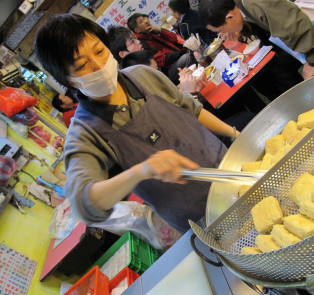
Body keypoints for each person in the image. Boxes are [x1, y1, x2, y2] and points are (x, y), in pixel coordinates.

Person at [35, 13, 240, 234]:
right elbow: (84, 205)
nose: (99, 65)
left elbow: (191, 109)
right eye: (83, 64)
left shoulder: (143, 75)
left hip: (230, 171)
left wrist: (234, 134)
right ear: (68, 80)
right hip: (200, 218)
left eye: (100, 51)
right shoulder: (84, 133)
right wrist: (141, 171)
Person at [198, 0, 314, 80]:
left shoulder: (256, 3)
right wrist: (241, 30)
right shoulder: (238, 6)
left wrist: (311, 61)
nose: (222, 36)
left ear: (230, 17)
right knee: (275, 70)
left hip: (308, 31)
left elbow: (296, 26)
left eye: (221, 31)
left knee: (279, 71)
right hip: (297, 39)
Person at [127, 13, 196, 84]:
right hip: (168, 70)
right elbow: (162, 61)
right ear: (137, 30)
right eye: (141, 22)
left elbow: (174, 38)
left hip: (176, 57)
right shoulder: (142, 43)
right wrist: (181, 52)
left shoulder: (151, 31)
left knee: (194, 48)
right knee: (188, 57)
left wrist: (160, 30)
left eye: (144, 19)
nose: (146, 21)